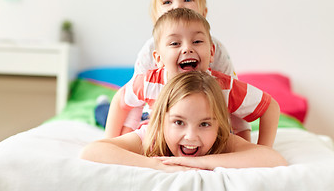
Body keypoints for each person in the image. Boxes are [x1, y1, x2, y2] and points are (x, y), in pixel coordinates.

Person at [106, 0, 252, 141]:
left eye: (188, 0)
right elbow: (134, 99)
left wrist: (243, 136)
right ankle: (102, 106)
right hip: (159, 115)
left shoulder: (215, 49)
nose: (177, 6)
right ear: (156, 18)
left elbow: (232, 94)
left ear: (203, 13)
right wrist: (123, 137)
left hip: (202, 117)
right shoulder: (149, 50)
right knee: (107, 117)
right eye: (167, 2)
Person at [106, 8, 280, 147]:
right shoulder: (149, 83)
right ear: (158, 59)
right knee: (104, 113)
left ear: (212, 53)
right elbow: (120, 101)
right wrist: (110, 140)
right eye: (175, 43)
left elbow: (270, 107)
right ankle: (101, 105)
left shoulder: (224, 88)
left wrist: (263, 148)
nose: (187, 49)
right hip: (150, 124)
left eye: (197, 41)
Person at [81, 71, 287, 171]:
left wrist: (201, 161)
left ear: (219, 125)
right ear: (163, 121)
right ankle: (101, 102)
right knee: (104, 114)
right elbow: (91, 151)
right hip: (146, 117)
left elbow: (274, 159)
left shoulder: (220, 139)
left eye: (205, 124)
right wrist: (158, 166)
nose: (191, 136)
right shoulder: (152, 136)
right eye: (179, 122)